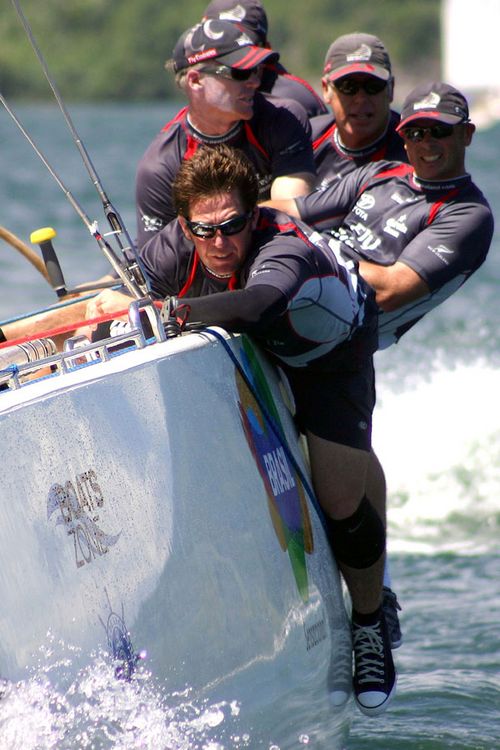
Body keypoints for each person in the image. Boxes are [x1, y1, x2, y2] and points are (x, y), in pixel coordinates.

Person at [88, 143, 397, 716]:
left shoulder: (282, 246)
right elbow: (114, 299)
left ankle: (372, 618)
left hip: (329, 355)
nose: (220, 242)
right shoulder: (180, 242)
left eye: (233, 226)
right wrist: (102, 318)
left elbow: (259, 303)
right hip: (260, 343)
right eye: (205, 231)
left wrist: (175, 312)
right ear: (185, 224)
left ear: (252, 216)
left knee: (339, 499)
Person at [263, 79, 494, 647]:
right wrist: (222, 215)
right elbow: (288, 209)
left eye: (439, 131)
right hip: (302, 305)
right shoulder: (378, 175)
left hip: (347, 344)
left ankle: (370, 611)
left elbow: (391, 288)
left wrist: (310, 260)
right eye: (414, 131)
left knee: (343, 495)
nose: (426, 142)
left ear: (466, 135)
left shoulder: (468, 215)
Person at [135, 18, 317, 249]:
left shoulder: (284, 118)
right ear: (196, 80)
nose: (254, 82)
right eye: (240, 73)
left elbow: (291, 214)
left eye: (256, 70)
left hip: (276, 250)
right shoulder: (160, 166)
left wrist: (214, 223)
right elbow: (160, 261)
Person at [202, 0, 328, 118]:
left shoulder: (290, 102)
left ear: (265, 50)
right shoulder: (198, 86)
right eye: (219, 41)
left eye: (242, 44)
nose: (229, 51)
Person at [311, 33, 407, 186]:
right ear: (326, 89)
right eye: (348, 86)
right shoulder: (304, 140)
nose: (361, 98)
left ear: (390, 89)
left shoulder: (415, 148)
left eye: (373, 86)